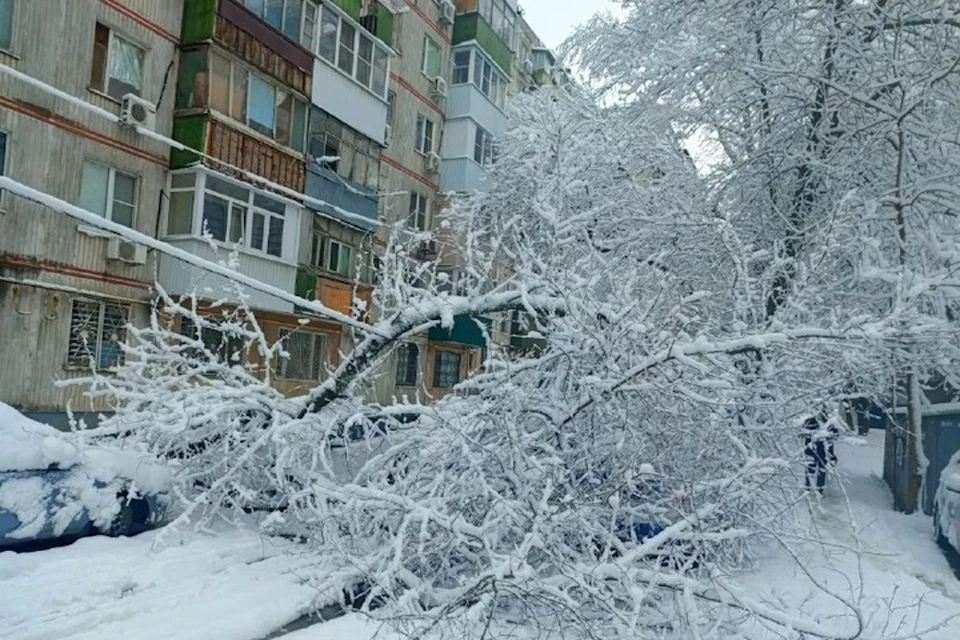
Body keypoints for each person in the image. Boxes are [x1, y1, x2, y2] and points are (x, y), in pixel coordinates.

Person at [802, 407, 839, 494]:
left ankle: (817, 488)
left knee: (819, 468)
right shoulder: (826, 423)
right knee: (814, 468)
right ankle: (811, 487)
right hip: (814, 450)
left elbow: (835, 436)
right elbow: (803, 433)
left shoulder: (829, 424)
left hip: (819, 450)